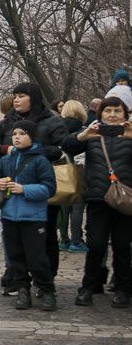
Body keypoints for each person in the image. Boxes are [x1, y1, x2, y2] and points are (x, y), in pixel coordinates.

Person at [0, 82, 68, 289]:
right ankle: (17, 276)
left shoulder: (51, 120)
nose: (16, 99)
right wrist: (6, 149)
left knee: (46, 235)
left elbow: (62, 147)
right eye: (14, 95)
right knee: (13, 237)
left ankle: (46, 280)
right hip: (12, 190)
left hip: (41, 185)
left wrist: (33, 151)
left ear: (33, 98)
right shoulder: (8, 121)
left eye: (21, 95)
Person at [63, 96, 132, 307]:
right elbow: (66, 147)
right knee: (96, 245)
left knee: (122, 246)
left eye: (117, 111)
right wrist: (83, 135)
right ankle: (89, 287)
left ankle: (122, 290)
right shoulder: (93, 134)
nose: (112, 115)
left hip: (125, 200)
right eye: (108, 110)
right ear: (100, 113)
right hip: (97, 198)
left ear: (125, 114)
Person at [0, 121, 59, 311]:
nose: (17, 137)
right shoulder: (6, 160)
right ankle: (22, 290)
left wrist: (23, 189)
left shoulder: (40, 160)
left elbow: (49, 188)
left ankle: (47, 290)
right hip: (9, 216)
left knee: (36, 258)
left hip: (33, 217)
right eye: (14, 134)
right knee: (15, 257)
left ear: (32, 137)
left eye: (22, 133)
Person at [57, 100, 89, 254]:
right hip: (79, 169)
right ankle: (76, 240)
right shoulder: (83, 130)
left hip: (61, 169)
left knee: (64, 206)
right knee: (78, 207)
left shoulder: (58, 128)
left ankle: (63, 239)